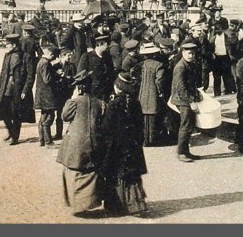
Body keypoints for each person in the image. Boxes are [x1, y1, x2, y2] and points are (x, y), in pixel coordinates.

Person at [57, 68, 107, 216]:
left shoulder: (73, 102)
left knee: (73, 171)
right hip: (94, 144)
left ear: (78, 88)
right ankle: (88, 203)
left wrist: (72, 98)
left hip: (75, 145)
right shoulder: (100, 103)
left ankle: (76, 204)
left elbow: (64, 117)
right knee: (91, 173)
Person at [101, 73, 149, 216]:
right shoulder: (135, 102)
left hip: (116, 146)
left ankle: (117, 206)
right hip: (132, 145)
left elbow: (106, 127)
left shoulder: (113, 104)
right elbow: (140, 125)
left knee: (116, 174)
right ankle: (136, 205)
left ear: (117, 88)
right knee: (132, 175)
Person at [0, 34, 36, 145]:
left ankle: (15, 137)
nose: (7, 47)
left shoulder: (25, 56)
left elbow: (30, 76)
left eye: (8, 45)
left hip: (18, 89)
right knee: (3, 111)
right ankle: (11, 131)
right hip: (6, 88)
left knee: (16, 113)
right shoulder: (7, 56)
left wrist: (25, 90)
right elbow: (2, 73)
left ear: (14, 45)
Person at [171, 41, 202, 162]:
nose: (191, 56)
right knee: (185, 125)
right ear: (183, 52)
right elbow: (181, 88)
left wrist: (197, 93)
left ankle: (186, 151)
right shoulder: (180, 67)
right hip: (182, 100)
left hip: (187, 98)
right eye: (189, 53)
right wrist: (191, 101)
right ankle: (181, 152)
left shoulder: (189, 64)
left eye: (193, 54)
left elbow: (191, 84)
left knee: (189, 125)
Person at [136, 42, 165, 147]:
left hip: (143, 92)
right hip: (153, 92)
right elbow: (159, 81)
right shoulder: (159, 65)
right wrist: (161, 92)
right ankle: (152, 139)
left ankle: (144, 140)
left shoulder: (141, 64)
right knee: (152, 115)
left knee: (144, 116)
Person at [35, 45, 63, 147]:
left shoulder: (42, 62)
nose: (55, 58)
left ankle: (42, 140)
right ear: (50, 54)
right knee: (49, 117)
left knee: (43, 117)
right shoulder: (45, 64)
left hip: (42, 95)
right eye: (54, 56)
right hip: (47, 95)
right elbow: (47, 79)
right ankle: (48, 142)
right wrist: (57, 75)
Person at [78, 35, 115, 101]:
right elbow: (81, 76)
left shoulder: (108, 57)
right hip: (92, 94)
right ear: (98, 44)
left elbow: (111, 75)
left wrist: (112, 91)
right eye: (105, 43)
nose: (107, 45)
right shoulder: (87, 57)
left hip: (105, 94)